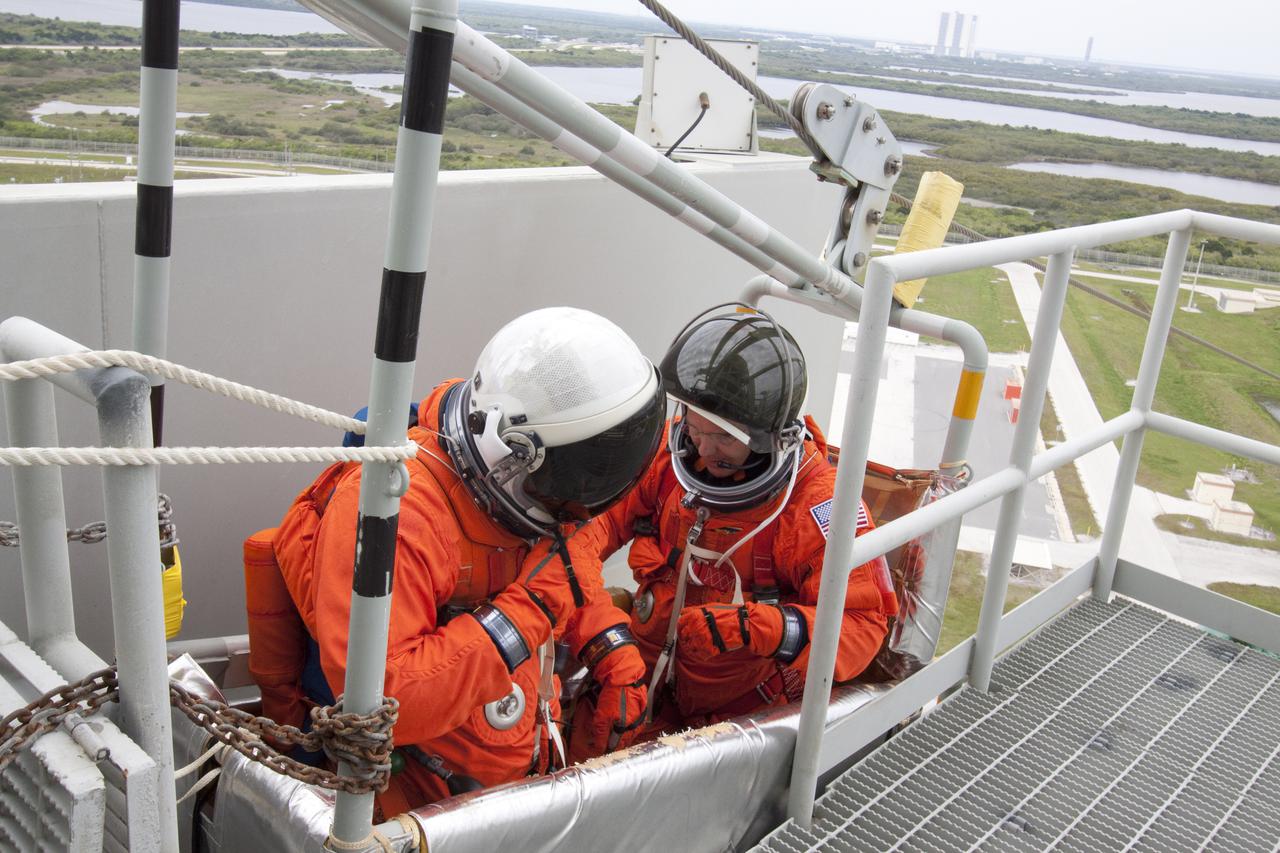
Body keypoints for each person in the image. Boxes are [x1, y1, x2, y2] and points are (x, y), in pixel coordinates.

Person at [246, 307, 663, 814]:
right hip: (421, 804)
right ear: (513, 453)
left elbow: (566, 557)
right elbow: (384, 701)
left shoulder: (546, 493)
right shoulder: (394, 510)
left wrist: (606, 640)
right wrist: (534, 605)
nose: (586, 500)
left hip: (514, 775)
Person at [580, 305, 898, 728]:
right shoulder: (669, 463)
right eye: (697, 428)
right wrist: (603, 634)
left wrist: (762, 628)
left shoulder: (816, 503)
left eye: (725, 438)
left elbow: (863, 623)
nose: (705, 450)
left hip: (741, 714)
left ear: (769, 439)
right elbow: (587, 531)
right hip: (642, 681)